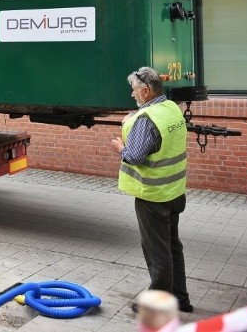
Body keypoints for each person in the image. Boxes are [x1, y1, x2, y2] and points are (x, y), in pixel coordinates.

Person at [109, 66, 193, 314]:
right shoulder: (171, 109)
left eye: (134, 91)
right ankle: (180, 298)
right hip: (175, 192)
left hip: (153, 195)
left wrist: (119, 147)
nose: (132, 95)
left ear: (145, 91)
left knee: (158, 252)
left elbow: (134, 156)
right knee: (172, 245)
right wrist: (131, 121)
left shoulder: (146, 120)